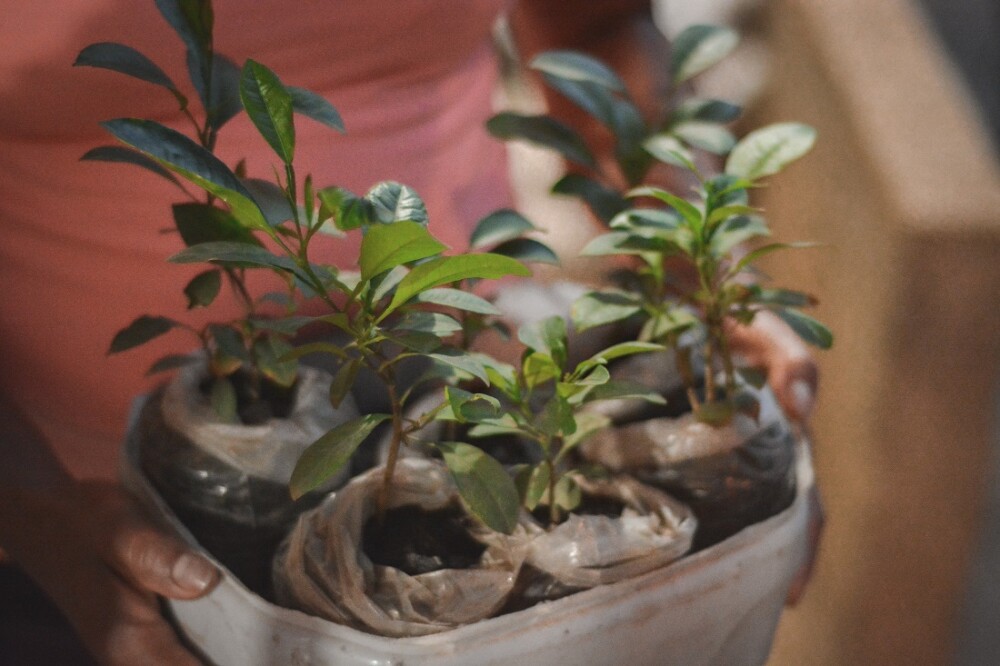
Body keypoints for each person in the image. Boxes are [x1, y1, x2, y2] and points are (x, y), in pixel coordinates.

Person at [0, 1, 819, 663]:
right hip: (68, 523)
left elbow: (594, 25)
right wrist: (35, 507)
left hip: (468, 396)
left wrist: (697, 253)